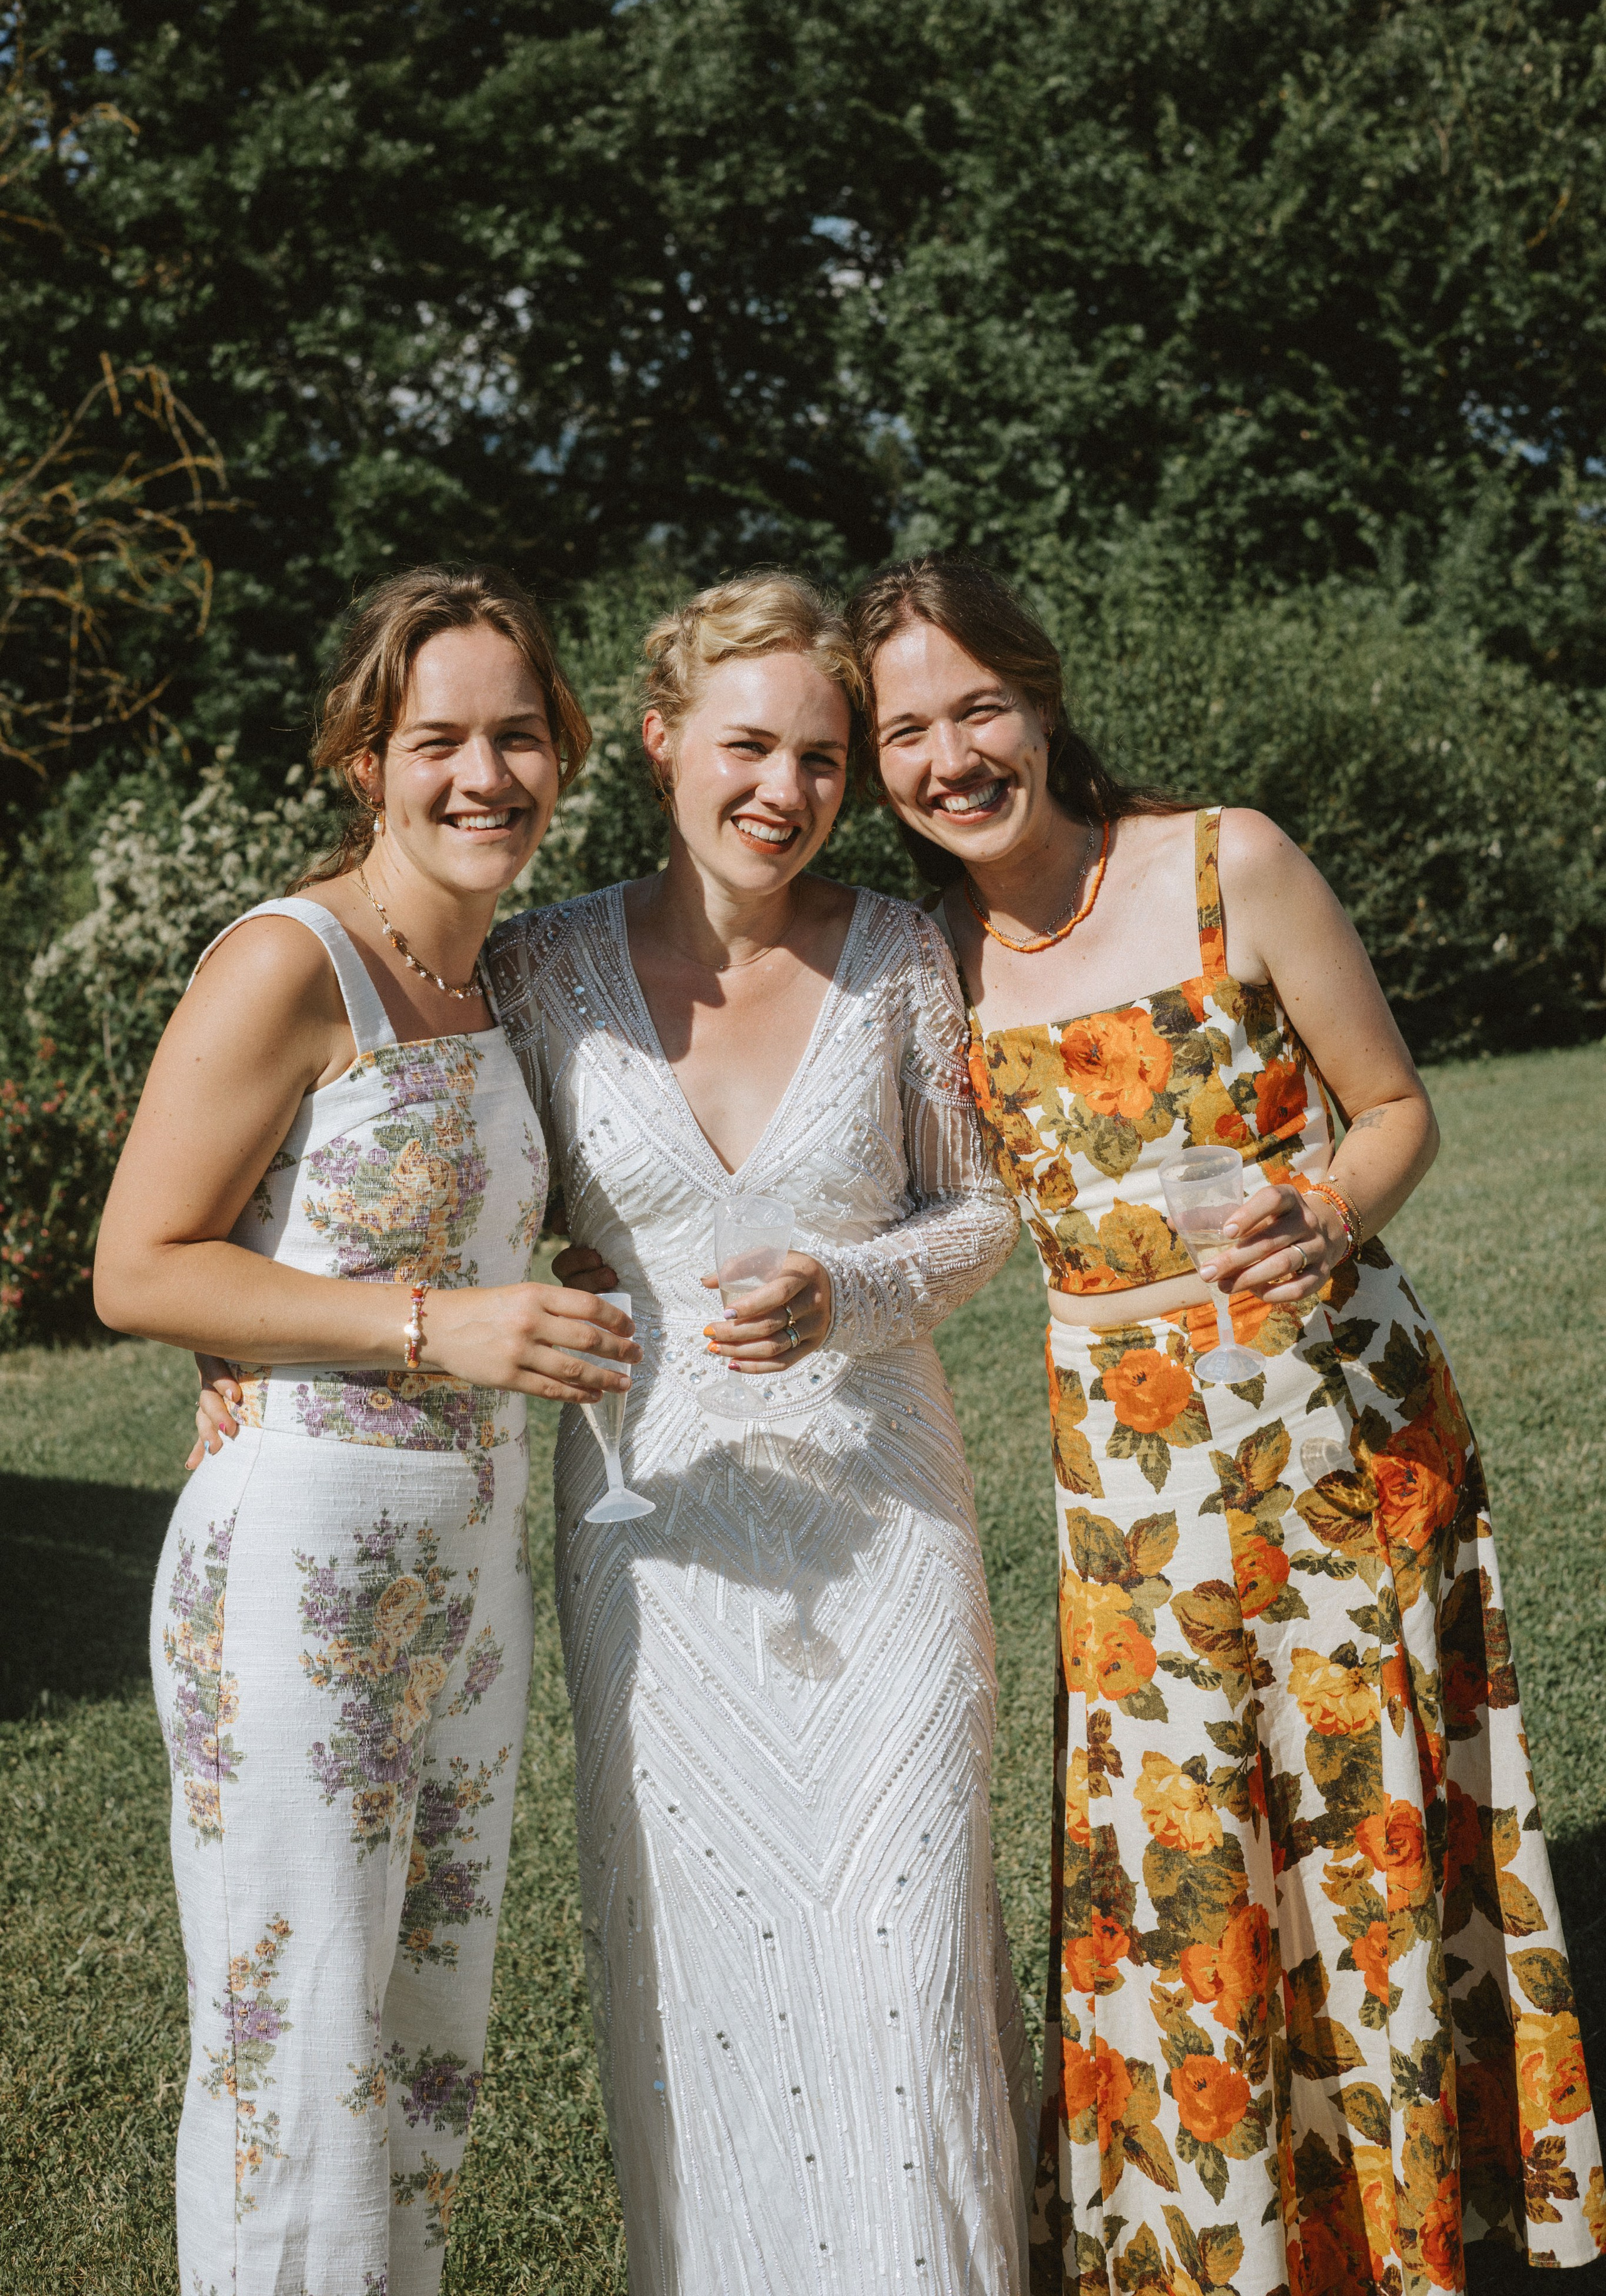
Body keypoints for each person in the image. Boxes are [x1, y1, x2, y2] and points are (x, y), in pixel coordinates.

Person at [849, 553, 1605, 2294]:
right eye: (907, 730)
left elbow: (1396, 1106)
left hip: (1340, 1431)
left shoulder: (1225, 860)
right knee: (1185, 1843)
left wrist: (1333, 1210)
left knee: (1366, 1826)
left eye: (980, 706)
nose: (954, 756)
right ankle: (1221, 2244)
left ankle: (1412, 2233)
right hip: (1128, 1485)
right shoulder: (927, 953)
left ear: (1042, 701)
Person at [484, 572, 1036, 2292]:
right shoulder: (538, 966)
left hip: (886, 1532)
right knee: (704, 1971)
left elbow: (982, 1208)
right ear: (659, 739)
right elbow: (444, 1188)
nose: (784, 794)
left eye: (821, 760)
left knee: (907, 1949)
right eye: (748, 746)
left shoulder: (893, 961)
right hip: (658, 1546)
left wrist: (849, 1294)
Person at [95, 565, 637, 2296]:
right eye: (439, 742)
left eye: (520, 736)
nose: (486, 776)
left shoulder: (493, 981)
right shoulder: (291, 961)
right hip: (301, 1571)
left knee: (426, 2032)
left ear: (565, 750)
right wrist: (437, 1325)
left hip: (466, 1566)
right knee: (299, 2035)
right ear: (362, 756)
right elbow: (137, 1267)